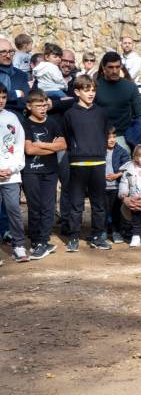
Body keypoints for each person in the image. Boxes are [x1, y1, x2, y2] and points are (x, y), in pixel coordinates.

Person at [63, 75, 111, 252]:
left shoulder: (101, 112)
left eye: (93, 90)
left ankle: (98, 236)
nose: (91, 93)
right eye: (86, 90)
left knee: (99, 204)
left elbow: (104, 133)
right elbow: (68, 137)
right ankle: (73, 236)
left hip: (98, 163)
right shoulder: (69, 114)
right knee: (76, 204)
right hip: (78, 164)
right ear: (77, 92)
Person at [22, 90, 66, 260]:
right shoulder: (25, 124)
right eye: (38, 105)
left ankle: (43, 241)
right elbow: (29, 149)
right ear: (29, 106)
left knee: (48, 207)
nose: (42, 108)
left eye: (45, 105)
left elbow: (62, 145)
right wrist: (51, 146)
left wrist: (41, 144)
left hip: (50, 171)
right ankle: (35, 241)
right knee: (35, 207)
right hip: (31, 171)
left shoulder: (53, 123)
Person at [94, 52, 141, 151]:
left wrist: (134, 137)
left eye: (117, 67)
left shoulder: (130, 87)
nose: (115, 70)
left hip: (124, 137)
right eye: (111, 67)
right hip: (100, 136)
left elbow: (140, 114)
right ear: (103, 68)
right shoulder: (95, 87)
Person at [0, 83, 28, 263]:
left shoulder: (13, 118)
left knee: (14, 211)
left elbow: (19, 147)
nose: (1, 101)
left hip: (11, 175)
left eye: (3, 97)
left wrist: (11, 168)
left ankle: (19, 245)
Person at [105, 126, 130, 243]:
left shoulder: (121, 151)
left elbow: (126, 167)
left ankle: (116, 232)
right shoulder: (98, 151)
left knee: (115, 210)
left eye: (114, 137)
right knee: (103, 210)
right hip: (102, 187)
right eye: (108, 137)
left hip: (116, 186)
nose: (112, 140)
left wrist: (116, 175)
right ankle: (102, 231)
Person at [0, 38, 31, 117]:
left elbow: (25, 101)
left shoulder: (21, 75)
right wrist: (16, 93)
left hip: (16, 118)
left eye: (11, 52)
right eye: (3, 52)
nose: (8, 55)